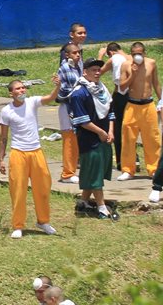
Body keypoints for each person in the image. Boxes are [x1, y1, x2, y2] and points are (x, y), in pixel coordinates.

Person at [0, 76, 62, 237]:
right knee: (18, 190)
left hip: (36, 151)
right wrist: (1, 159)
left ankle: (43, 221)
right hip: (18, 153)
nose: (22, 90)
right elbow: (3, 137)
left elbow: (50, 98)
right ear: (11, 93)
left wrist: (58, 86)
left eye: (23, 87)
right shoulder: (6, 111)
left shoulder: (32, 102)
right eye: (18, 89)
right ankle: (18, 225)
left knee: (43, 187)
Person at [68, 59, 116, 218]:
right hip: (89, 140)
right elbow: (82, 121)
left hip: (104, 137)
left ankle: (83, 202)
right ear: (85, 72)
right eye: (93, 70)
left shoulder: (103, 89)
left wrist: (110, 131)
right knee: (94, 173)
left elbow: (110, 111)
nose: (97, 72)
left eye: (99, 70)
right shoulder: (78, 94)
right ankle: (101, 206)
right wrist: (100, 133)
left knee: (95, 170)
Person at [116, 41, 160, 180]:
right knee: (128, 138)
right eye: (134, 54)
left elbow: (156, 83)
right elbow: (121, 87)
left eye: (139, 54)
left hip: (148, 105)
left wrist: (161, 100)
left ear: (144, 53)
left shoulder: (151, 63)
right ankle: (128, 170)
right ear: (131, 54)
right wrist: (132, 75)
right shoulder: (126, 65)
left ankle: (154, 169)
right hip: (132, 105)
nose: (137, 57)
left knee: (152, 138)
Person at [98, 41, 131, 168]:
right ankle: (134, 158)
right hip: (133, 96)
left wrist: (100, 56)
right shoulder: (131, 58)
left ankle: (120, 160)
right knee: (130, 127)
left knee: (117, 127)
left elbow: (97, 72)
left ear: (111, 52)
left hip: (120, 96)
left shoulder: (114, 58)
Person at [56, 42, 84, 184]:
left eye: (79, 52)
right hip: (67, 107)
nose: (77, 54)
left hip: (77, 107)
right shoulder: (64, 68)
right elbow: (65, 90)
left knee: (76, 139)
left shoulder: (79, 67)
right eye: (74, 53)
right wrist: (81, 89)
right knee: (69, 140)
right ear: (67, 55)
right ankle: (67, 173)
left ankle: (73, 170)